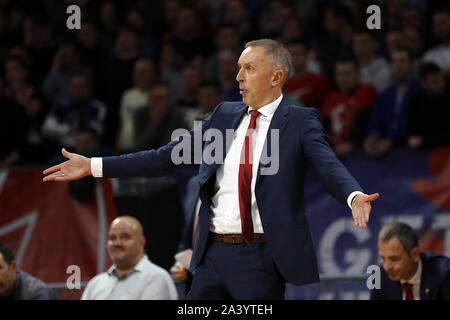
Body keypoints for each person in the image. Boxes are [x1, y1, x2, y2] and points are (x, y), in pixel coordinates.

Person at [43, 39, 379, 300]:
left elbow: (327, 163)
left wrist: (352, 195)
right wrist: (94, 165)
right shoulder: (223, 116)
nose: (238, 77)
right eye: (238, 68)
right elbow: (165, 157)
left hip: (260, 256)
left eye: (248, 68)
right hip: (211, 255)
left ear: (276, 76)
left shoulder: (300, 122)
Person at [81, 216, 178, 300]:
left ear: (141, 242)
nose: (117, 243)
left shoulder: (156, 278)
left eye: (125, 237)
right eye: (112, 238)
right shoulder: (95, 284)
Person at [371, 221, 450, 300]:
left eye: (394, 259)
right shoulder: (380, 278)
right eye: (383, 258)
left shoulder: (443, 274)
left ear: (415, 254)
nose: (387, 267)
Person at [364, 50, 420, 157]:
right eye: (395, 62)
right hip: (385, 155)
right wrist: (371, 138)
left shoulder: (420, 92)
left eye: (402, 62)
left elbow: (414, 126)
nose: (398, 67)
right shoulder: (384, 96)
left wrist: (391, 141)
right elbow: (375, 123)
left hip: (411, 153)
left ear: (411, 65)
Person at [322, 58, 376, 157]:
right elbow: (324, 127)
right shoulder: (331, 98)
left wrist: (351, 143)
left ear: (358, 75)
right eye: (339, 74)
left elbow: (361, 119)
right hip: (334, 156)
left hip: (359, 155)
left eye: (348, 73)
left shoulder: (365, 91)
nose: (343, 79)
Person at [406, 62, 450, 150]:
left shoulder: (447, 96)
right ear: (423, 83)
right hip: (423, 153)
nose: (441, 84)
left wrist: (424, 141)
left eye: (442, 79)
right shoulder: (415, 100)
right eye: (435, 81)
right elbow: (410, 134)